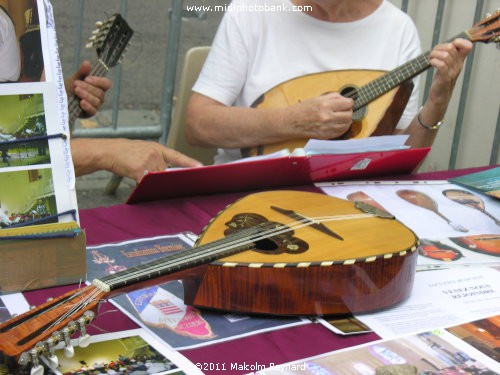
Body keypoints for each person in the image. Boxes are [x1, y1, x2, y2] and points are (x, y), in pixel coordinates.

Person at [185, 0, 473, 164]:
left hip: (345, 202)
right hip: (248, 193)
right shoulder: (254, 11)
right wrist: (293, 121)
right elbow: (198, 125)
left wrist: (438, 101)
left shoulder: (397, 29)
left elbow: (399, 161)